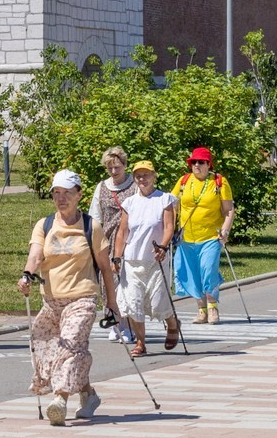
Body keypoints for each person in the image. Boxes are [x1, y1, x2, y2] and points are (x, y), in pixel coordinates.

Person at [22, 168, 117, 423]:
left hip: (82, 299)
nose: (61, 198)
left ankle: (60, 400)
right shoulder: (45, 225)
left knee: (69, 346)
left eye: (67, 193)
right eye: (56, 193)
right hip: (52, 303)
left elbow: (105, 267)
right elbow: (35, 255)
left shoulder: (90, 226)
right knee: (46, 348)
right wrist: (27, 275)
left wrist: (112, 303)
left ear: (79, 195)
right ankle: (88, 394)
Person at [110, 158, 179, 353]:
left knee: (157, 303)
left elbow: (168, 227)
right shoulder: (129, 203)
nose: (142, 179)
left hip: (156, 259)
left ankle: (173, 324)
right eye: (138, 176)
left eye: (146, 175)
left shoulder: (164, 199)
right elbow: (122, 232)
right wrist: (117, 257)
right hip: (132, 261)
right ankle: (141, 343)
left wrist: (163, 247)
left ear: (154, 176)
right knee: (133, 303)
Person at [173, 148, 235, 323]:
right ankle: (201, 310)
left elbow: (229, 209)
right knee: (192, 274)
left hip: (211, 237)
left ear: (209, 164)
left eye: (201, 162)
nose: (197, 165)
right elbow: (171, 204)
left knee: (208, 270)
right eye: (194, 162)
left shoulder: (219, 182)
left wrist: (225, 231)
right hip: (187, 237)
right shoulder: (184, 181)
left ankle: (212, 307)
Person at [87, 148, 141, 342]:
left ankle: (127, 326)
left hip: (132, 242)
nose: (114, 171)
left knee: (127, 286)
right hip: (107, 242)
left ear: (125, 165)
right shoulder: (102, 187)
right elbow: (95, 217)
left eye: (117, 167)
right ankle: (115, 322)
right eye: (110, 168)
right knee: (109, 285)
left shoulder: (135, 187)